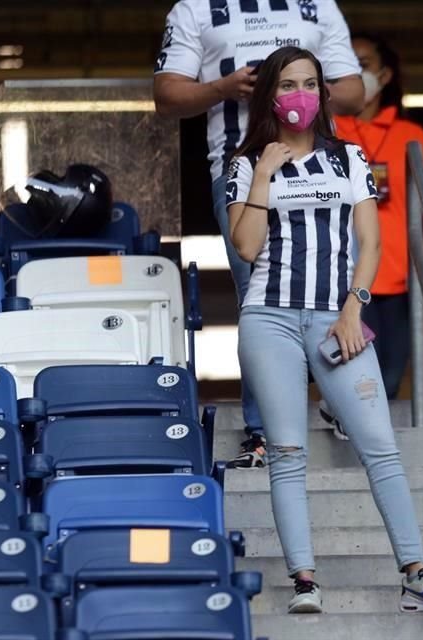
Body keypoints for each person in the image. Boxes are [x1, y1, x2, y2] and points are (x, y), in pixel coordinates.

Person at [226, 45, 423, 615]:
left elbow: (372, 242)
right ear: (270, 95)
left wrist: (355, 308)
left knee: (380, 447)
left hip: (338, 319)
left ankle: (415, 573)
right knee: (287, 452)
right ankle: (305, 582)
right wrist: (263, 173)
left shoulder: (349, 159)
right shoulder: (244, 165)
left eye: (310, 84)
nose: (300, 96)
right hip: (270, 319)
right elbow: (245, 246)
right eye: (288, 85)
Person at [153, 0, 364, 469]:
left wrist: (298, 86)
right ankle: (264, 431)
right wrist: (224, 88)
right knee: (259, 293)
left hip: (320, 165)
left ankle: (340, 397)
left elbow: (354, 92)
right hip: (240, 166)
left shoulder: (316, 5)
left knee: (332, 278)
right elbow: (166, 96)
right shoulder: (195, 8)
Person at [330, 33, 423, 408]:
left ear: (385, 76)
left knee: (391, 372)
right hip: (344, 274)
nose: (355, 73)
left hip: (399, 277)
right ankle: (347, 418)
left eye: (364, 65)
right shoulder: (326, 131)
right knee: (351, 365)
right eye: (346, 64)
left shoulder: (410, 136)